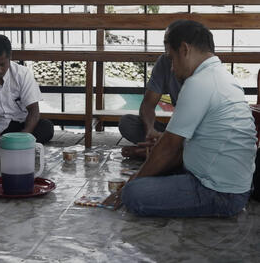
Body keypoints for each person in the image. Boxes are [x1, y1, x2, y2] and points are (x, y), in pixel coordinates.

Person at [104, 20, 257, 217]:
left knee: (134, 193)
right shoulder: (220, 76)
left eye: (172, 58)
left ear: (184, 49)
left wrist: (132, 184)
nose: (171, 68)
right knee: (156, 167)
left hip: (219, 192)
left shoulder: (198, 82)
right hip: (231, 185)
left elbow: (170, 147)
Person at [118, 21, 184, 158]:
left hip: (193, 133)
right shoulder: (164, 61)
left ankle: (158, 152)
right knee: (127, 123)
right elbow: (148, 104)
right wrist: (150, 131)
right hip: (174, 131)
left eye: (168, 42)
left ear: (184, 48)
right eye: (164, 42)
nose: (166, 48)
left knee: (195, 141)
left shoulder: (202, 74)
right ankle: (160, 149)